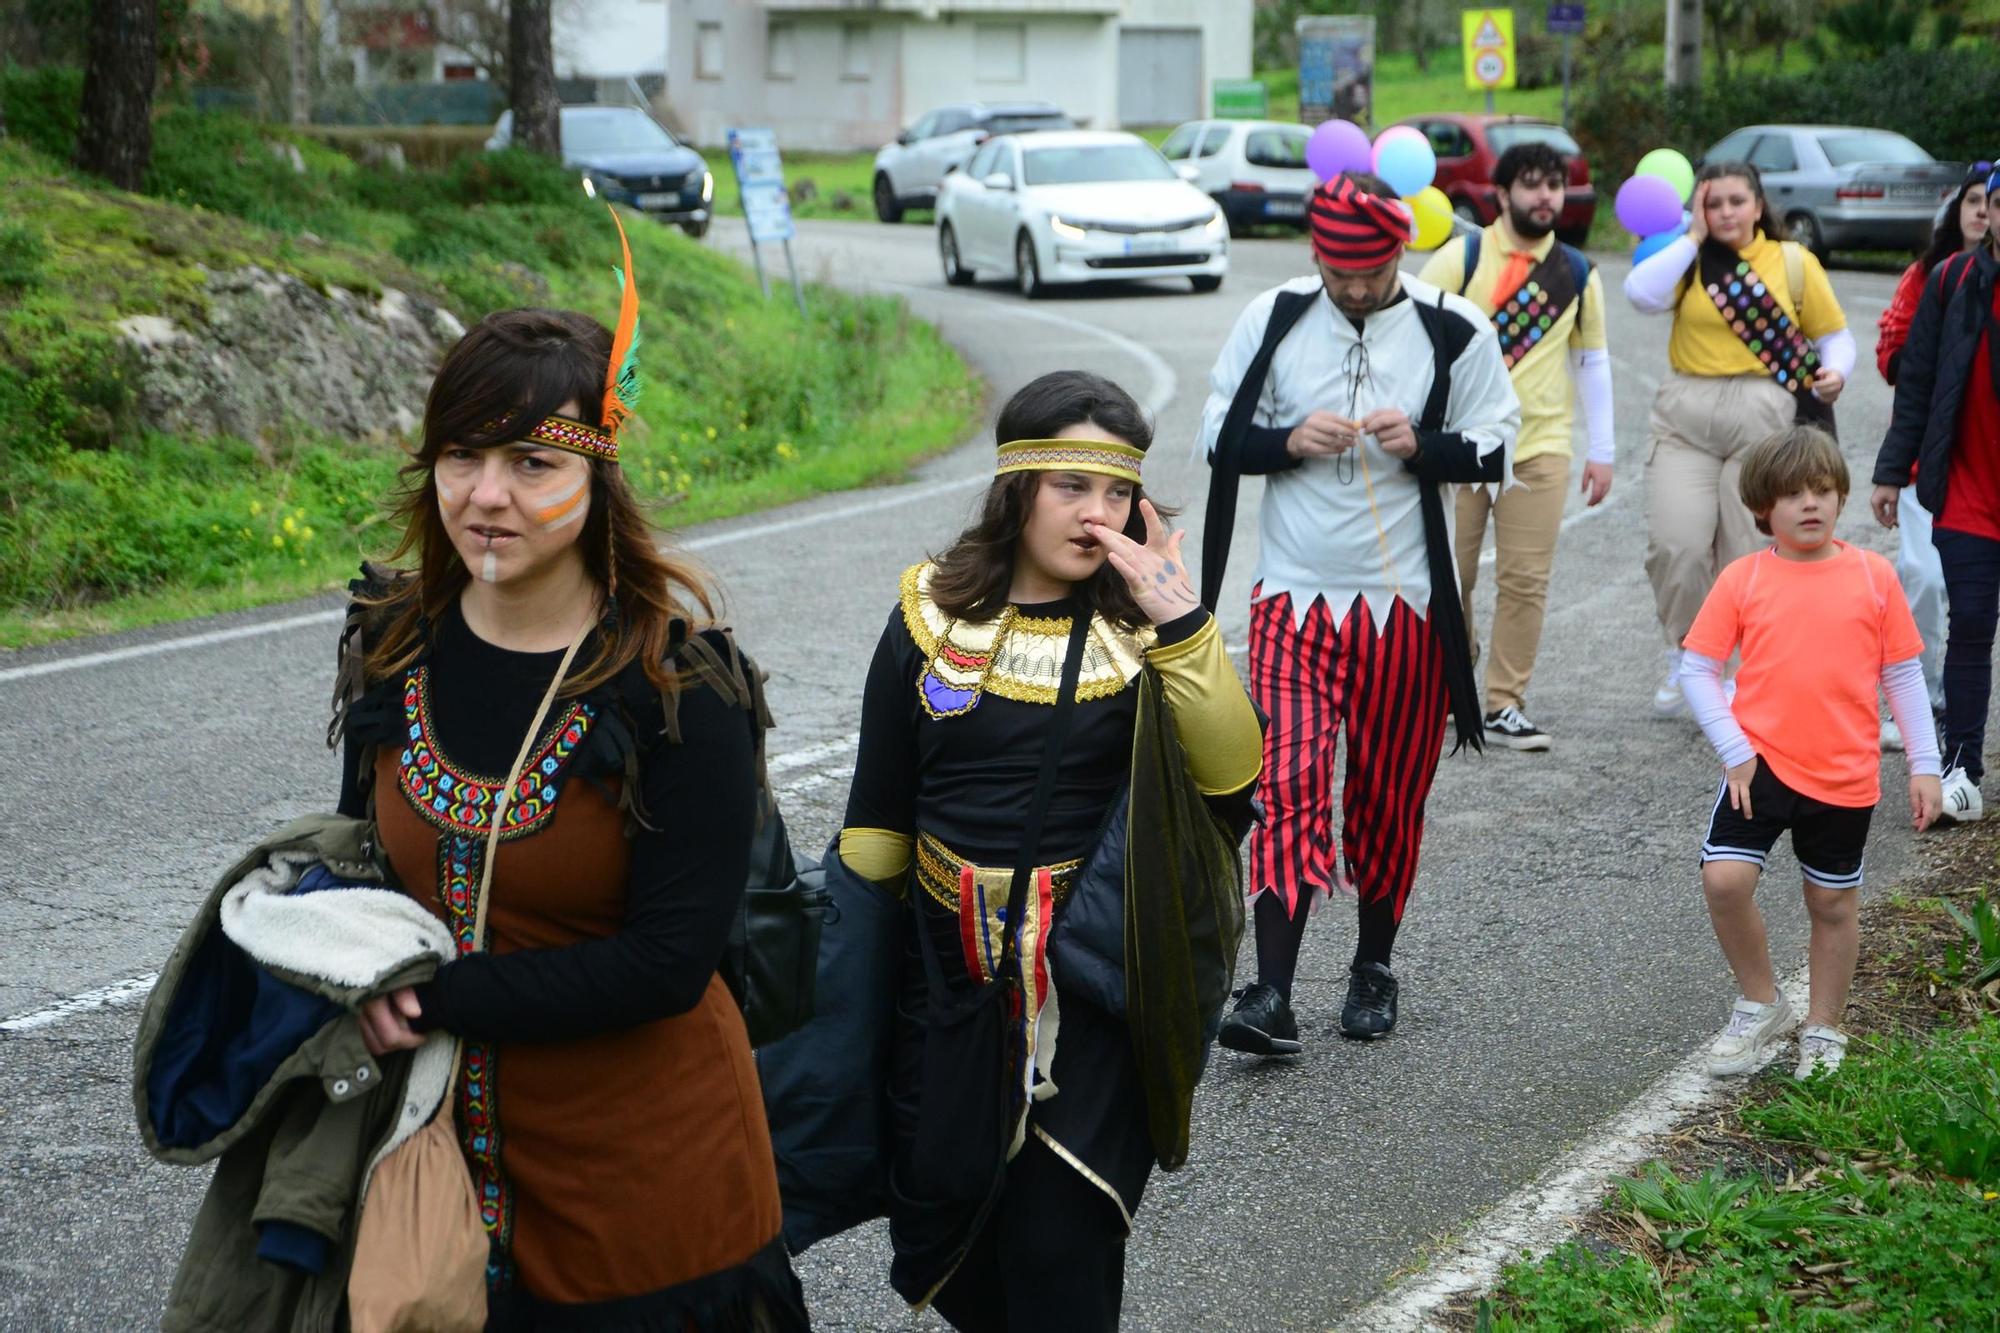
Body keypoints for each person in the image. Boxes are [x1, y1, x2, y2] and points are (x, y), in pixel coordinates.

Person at [327, 231, 809, 1331]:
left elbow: (667, 965)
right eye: (461, 457)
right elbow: (364, 861)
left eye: (532, 464)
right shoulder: (391, 645)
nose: (486, 496)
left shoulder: (680, 687)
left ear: (597, 474)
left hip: (648, 1189)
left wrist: (429, 999)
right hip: (440, 1171)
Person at [836, 371, 1263, 1330]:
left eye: (1117, 491)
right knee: (959, 1246)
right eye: (1071, 485)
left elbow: (1233, 784)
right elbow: (877, 820)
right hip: (947, 987)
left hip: (1093, 988)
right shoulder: (925, 614)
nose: (1097, 512)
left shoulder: (1141, 631)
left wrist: (1183, 627)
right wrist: (842, 994)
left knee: (1061, 1241)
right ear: (1014, 489)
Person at [1199, 172, 1521, 1050]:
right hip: (1292, 598)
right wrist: (1286, 442)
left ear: (1396, 255)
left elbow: (1500, 439)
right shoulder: (1273, 316)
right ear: (1316, 254)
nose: (1352, 287)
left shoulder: (1453, 327)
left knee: (1387, 793)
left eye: (1370, 273)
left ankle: (1372, 966)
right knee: (1287, 787)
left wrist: (1427, 445)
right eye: (1338, 271)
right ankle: (1269, 992)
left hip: (1406, 610)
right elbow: (1215, 433)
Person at [1679, 425, 1940, 1079]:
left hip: (1843, 772)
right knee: (1724, 879)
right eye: (1793, 493)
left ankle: (1824, 1027)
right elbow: (1696, 668)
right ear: (1764, 506)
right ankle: (1761, 1000)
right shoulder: (1744, 578)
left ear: (1840, 496)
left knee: (1832, 905)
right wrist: (1735, 748)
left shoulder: (1873, 576)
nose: (1810, 503)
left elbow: (1903, 675)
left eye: (1822, 489)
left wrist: (1925, 764)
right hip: (1757, 766)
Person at [1625, 160, 1855, 718]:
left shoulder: (1794, 263)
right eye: (1714, 202)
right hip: (1686, 419)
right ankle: (1686, 660)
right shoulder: (1688, 260)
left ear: (1758, 205)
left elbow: (1835, 335)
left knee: (1745, 554)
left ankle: (1737, 671)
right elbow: (1639, 293)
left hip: (1763, 424)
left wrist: (1836, 372)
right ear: (1699, 208)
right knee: (1676, 547)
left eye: (1736, 201)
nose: (1726, 212)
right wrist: (1692, 239)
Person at [1419, 140, 1615, 750]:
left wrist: (1602, 449)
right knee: (1448, 577)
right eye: (1531, 185)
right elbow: (1409, 335)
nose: (1544, 196)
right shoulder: (1462, 257)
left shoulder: (1579, 272)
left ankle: (1505, 701)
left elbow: (1592, 361)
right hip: (1459, 447)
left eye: (1553, 185)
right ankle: (1456, 678)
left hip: (1541, 446)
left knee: (1525, 579)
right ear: (1502, 195)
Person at [1870, 165, 2000, 824]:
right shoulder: (1951, 282)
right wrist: (1892, 469)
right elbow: (1915, 380)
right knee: (1971, 627)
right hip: (1970, 491)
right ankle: (1964, 770)